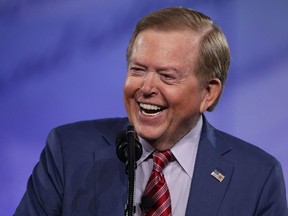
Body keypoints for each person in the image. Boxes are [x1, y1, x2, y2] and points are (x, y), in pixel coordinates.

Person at [15, 6, 287, 216]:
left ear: (209, 93)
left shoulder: (257, 178)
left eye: (167, 76)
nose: (146, 88)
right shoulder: (68, 151)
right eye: (138, 70)